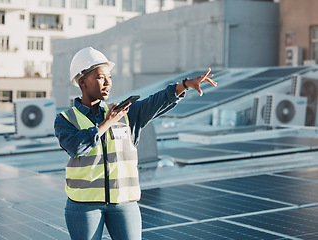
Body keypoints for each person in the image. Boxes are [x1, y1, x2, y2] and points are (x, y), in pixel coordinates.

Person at [54, 47, 217, 240]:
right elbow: (76, 147)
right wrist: (107, 123)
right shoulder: (66, 119)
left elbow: (156, 101)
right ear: (82, 82)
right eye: (100, 77)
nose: (108, 83)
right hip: (83, 206)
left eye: (110, 77)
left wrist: (184, 85)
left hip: (124, 203)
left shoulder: (126, 113)